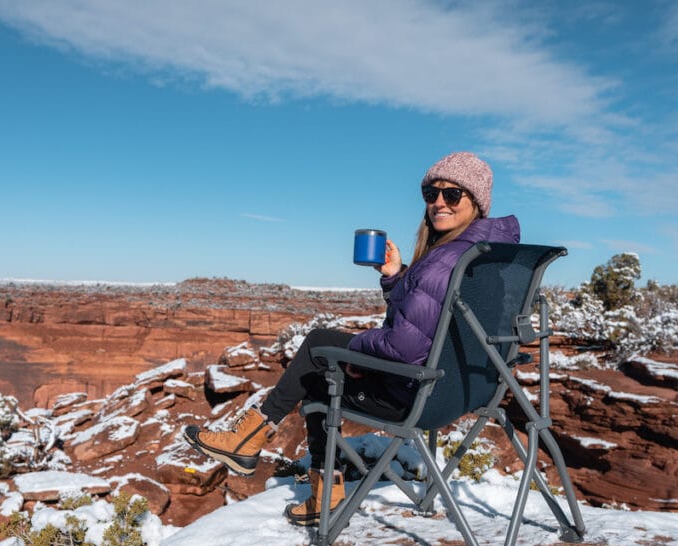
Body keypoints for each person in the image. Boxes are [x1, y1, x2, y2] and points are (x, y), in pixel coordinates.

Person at [184, 151, 520, 525]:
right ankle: (258, 447)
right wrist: (395, 278)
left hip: (420, 396)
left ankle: (285, 466)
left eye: (453, 195)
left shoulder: (445, 260)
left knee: (318, 356)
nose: (439, 202)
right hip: (463, 391)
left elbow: (404, 347)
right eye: (431, 193)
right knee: (325, 355)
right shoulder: (488, 254)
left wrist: (353, 353)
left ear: (477, 202)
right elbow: (429, 326)